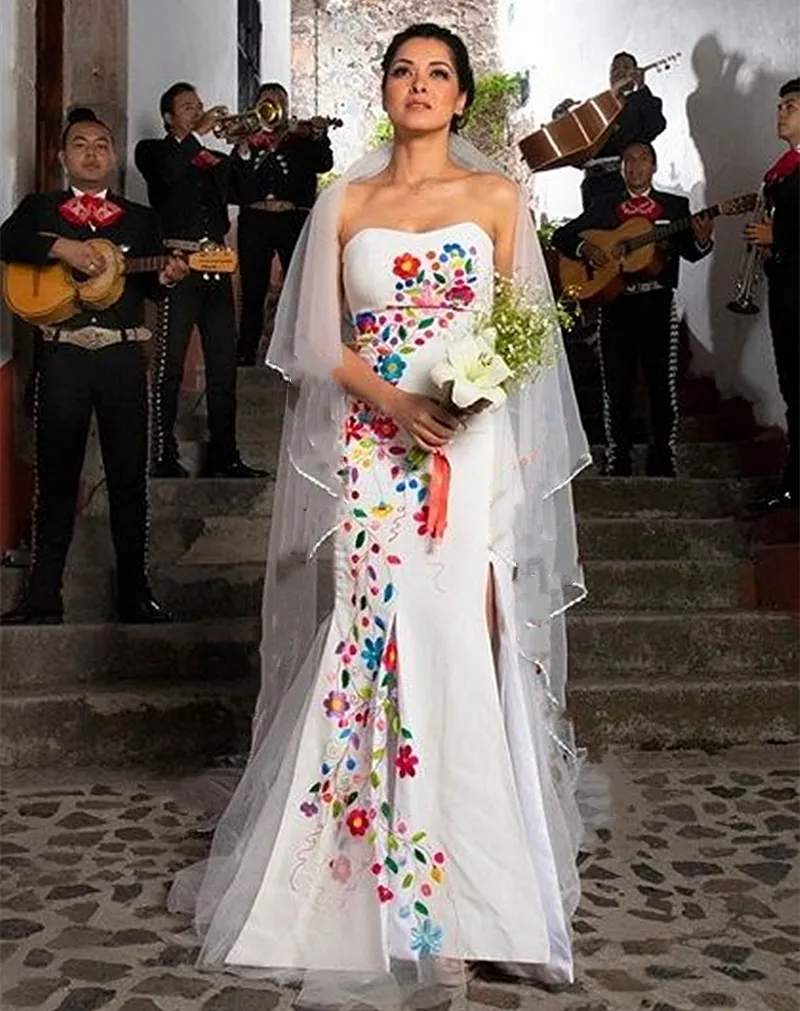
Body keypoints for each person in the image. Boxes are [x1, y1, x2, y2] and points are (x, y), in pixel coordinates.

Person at [168, 22, 593, 1009]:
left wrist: (473, 397)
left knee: (464, 652)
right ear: (386, 89)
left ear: (461, 95)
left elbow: (524, 335)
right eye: (403, 70)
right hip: (376, 448)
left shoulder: (496, 199)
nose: (419, 85)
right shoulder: (346, 202)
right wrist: (397, 402)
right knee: (374, 642)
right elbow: (316, 341)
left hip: (470, 449)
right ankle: (383, 900)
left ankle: (485, 908)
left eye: (438, 72)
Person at [0, 108, 188, 625]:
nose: (91, 153)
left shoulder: (140, 219)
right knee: (56, 479)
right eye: (80, 144)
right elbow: (6, 242)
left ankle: (135, 595)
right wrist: (60, 246)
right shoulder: (41, 209)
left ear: (114, 157)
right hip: (63, 355)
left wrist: (168, 276)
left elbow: (151, 286)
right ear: (62, 157)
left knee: (129, 478)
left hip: (121, 358)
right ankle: (43, 598)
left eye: (101, 145)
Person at [551, 141, 714, 477]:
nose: (636, 166)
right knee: (616, 384)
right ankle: (618, 458)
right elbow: (562, 236)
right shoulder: (605, 205)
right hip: (616, 304)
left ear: (654, 166)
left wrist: (702, 240)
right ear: (622, 168)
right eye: (629, 160)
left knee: (660, 383)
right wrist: (585, 248)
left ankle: (663, 457)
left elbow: (692, 251)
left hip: (657, 303)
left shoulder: (675, 206)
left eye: (643, 159)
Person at [135, 83, 266, 479]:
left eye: (199, 106)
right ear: (169, 118)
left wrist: (243, 150)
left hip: (218, 267)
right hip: (177, 265)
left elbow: (247, 192)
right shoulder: (153, 151)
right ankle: (163, 454)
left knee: (224, 366)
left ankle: (224, 455)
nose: (198, 112)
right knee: (170, 364)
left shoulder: (214, 159)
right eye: (188, 107)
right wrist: (196, 134)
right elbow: (168, 176)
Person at [234, 82, 335, 365]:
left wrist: (319, 135)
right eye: (267, 101)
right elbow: (236, 181)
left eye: (280, 101)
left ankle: (300, 352)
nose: (274, 106)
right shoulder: (248, 139)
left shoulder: (301, 139)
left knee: (299, 287)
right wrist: (242, 148)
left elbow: (324, 163)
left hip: (292, 219)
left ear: (287, 107)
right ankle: (246, 352)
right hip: (255, 221)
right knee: (252, 289)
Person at [745, 77, 799, 510]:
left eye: (791, 106)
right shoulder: (783, 170)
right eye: (780, 106)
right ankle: (794, 484)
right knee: (793, 389)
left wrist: (778, 235)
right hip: (786, 289)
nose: (780, 113)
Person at [554, 52, 667, 211]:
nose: (619, 71)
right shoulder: (596, 108)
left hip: (623, 182)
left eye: (626, 67)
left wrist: (641, 87)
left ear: (636, 72)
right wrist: (561, 120)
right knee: (594, 226)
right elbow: (578, 146)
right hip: (592, 184)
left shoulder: (641, 101)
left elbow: (655, 126)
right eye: (614, 68)